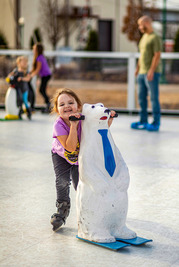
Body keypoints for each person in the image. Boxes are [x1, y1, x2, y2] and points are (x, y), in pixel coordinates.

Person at [50, 88, 116, 231]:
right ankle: (62, 211)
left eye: (70, 102)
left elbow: (98, 129)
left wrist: (108, 119)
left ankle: (91, 210)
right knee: (62, 181)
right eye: (61, 104)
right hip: (61, 156)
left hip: (79, 158)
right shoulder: (59, 125)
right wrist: (74, 126)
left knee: (81, 184)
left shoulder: (83, 118)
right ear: (57, 110)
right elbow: (71, 148)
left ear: (78, 106)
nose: (66, 106)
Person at [131, 15, 162, 131]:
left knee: (154, 98)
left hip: (152, 73)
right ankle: (143, 121)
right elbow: (141, 54)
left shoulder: (155, 37)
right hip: (142, 72)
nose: (139, 27)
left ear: (147, 23)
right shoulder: (144, 37)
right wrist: (138, 68)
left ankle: (155, 123)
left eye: (140, 25)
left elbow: (157, 55)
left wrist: (151, 70)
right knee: (141, 98)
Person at [30, 43, 51, 113]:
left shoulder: (39, 58)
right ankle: (48, 104)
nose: (33, 50)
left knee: (41, 90)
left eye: (34, 49)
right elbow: (35, 70)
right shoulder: (41, 57)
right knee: (42, 90)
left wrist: (31, 75)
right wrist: (30, 73)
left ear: (37, 50)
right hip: (45, 76)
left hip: (46, 75)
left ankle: (48, 104)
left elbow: (37, 70)